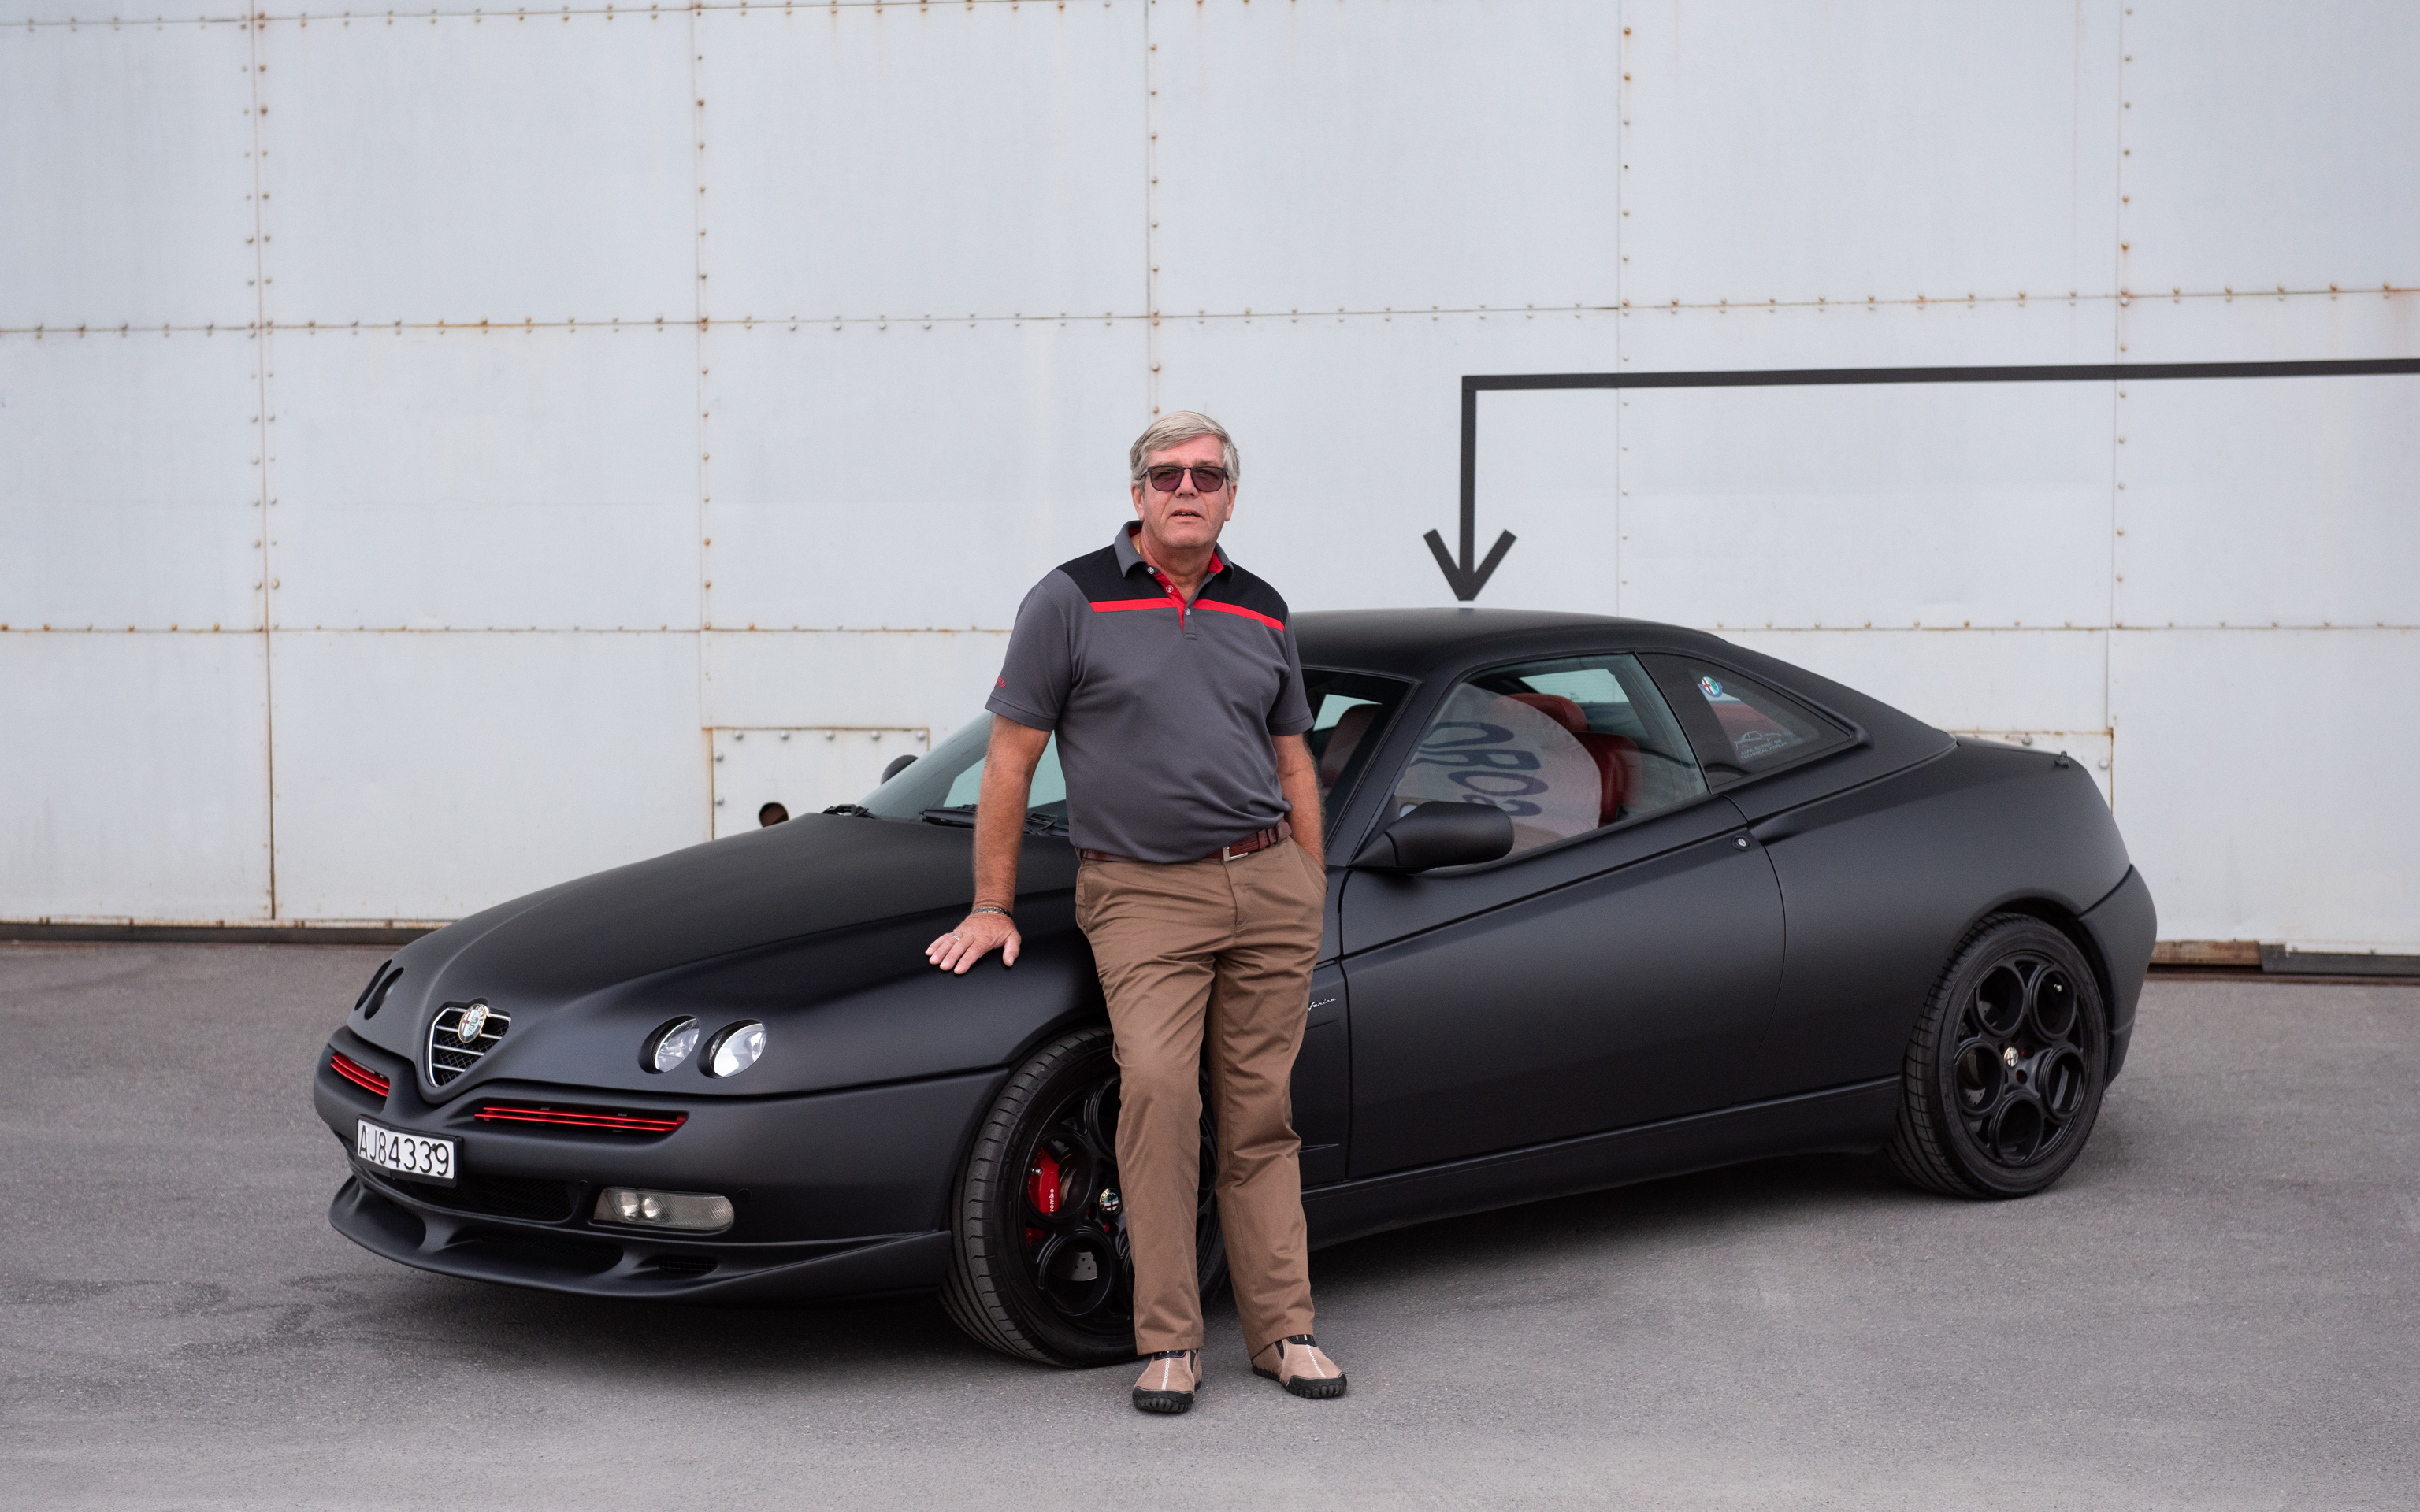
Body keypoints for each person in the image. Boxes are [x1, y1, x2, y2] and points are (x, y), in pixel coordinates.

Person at [923, 412, 1345, 1414]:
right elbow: (1011, 759)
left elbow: (1293, 760)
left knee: (1261, 1116)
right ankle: (1168, 1341)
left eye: (1206, 475)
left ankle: (1283, 1332)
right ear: (1137, 494)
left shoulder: (1263, 608)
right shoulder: (1069, 600)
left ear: (1231, 497)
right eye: (1166, 475)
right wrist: (991, 903)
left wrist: (1308, 882)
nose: (1185, 489)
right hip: (1143, 893)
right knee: (1158, 1098)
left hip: (1267, 885)